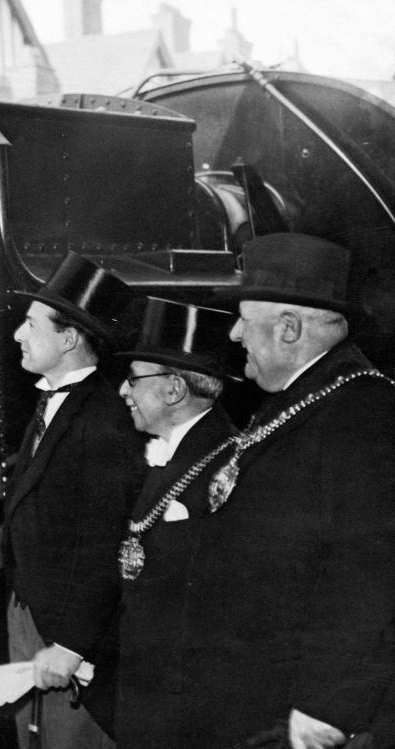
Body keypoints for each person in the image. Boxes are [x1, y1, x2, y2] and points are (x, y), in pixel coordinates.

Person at [160, 233, 395, 748]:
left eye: (246, 318)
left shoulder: (364, 414)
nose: (236, 334)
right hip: (259, 698)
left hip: (303, 715)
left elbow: (369, 575)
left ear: (289, 328)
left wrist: (326, 706)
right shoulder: (297, 401)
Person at [0, 252, 145, 749]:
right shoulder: (52, 401)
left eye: (31, 323)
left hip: (68, 632)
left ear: (68, 338)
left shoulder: (105, 420)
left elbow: (107, 544)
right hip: (33, 614)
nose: (19, 333)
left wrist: (71, 644)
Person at [109, 297, 238, 748]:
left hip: (187, 707)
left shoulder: (226, 465)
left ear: (173, 390)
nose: (124, 392)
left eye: (132, 380)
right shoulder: (173, 452)